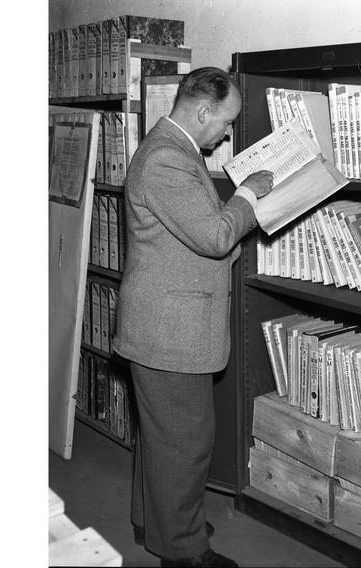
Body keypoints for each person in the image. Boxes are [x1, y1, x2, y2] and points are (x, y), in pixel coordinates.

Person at [112, 67, 272, 568]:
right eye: (225, 122)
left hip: (165, 324)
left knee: (162, 439)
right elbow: (213, 236)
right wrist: (249, 196)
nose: (226, 133)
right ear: (203, 111)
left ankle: (154, 523)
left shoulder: (175, 151)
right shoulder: (166, 158)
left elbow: (190, 235)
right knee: (186, 442)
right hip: (169, 331)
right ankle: (182, 551)